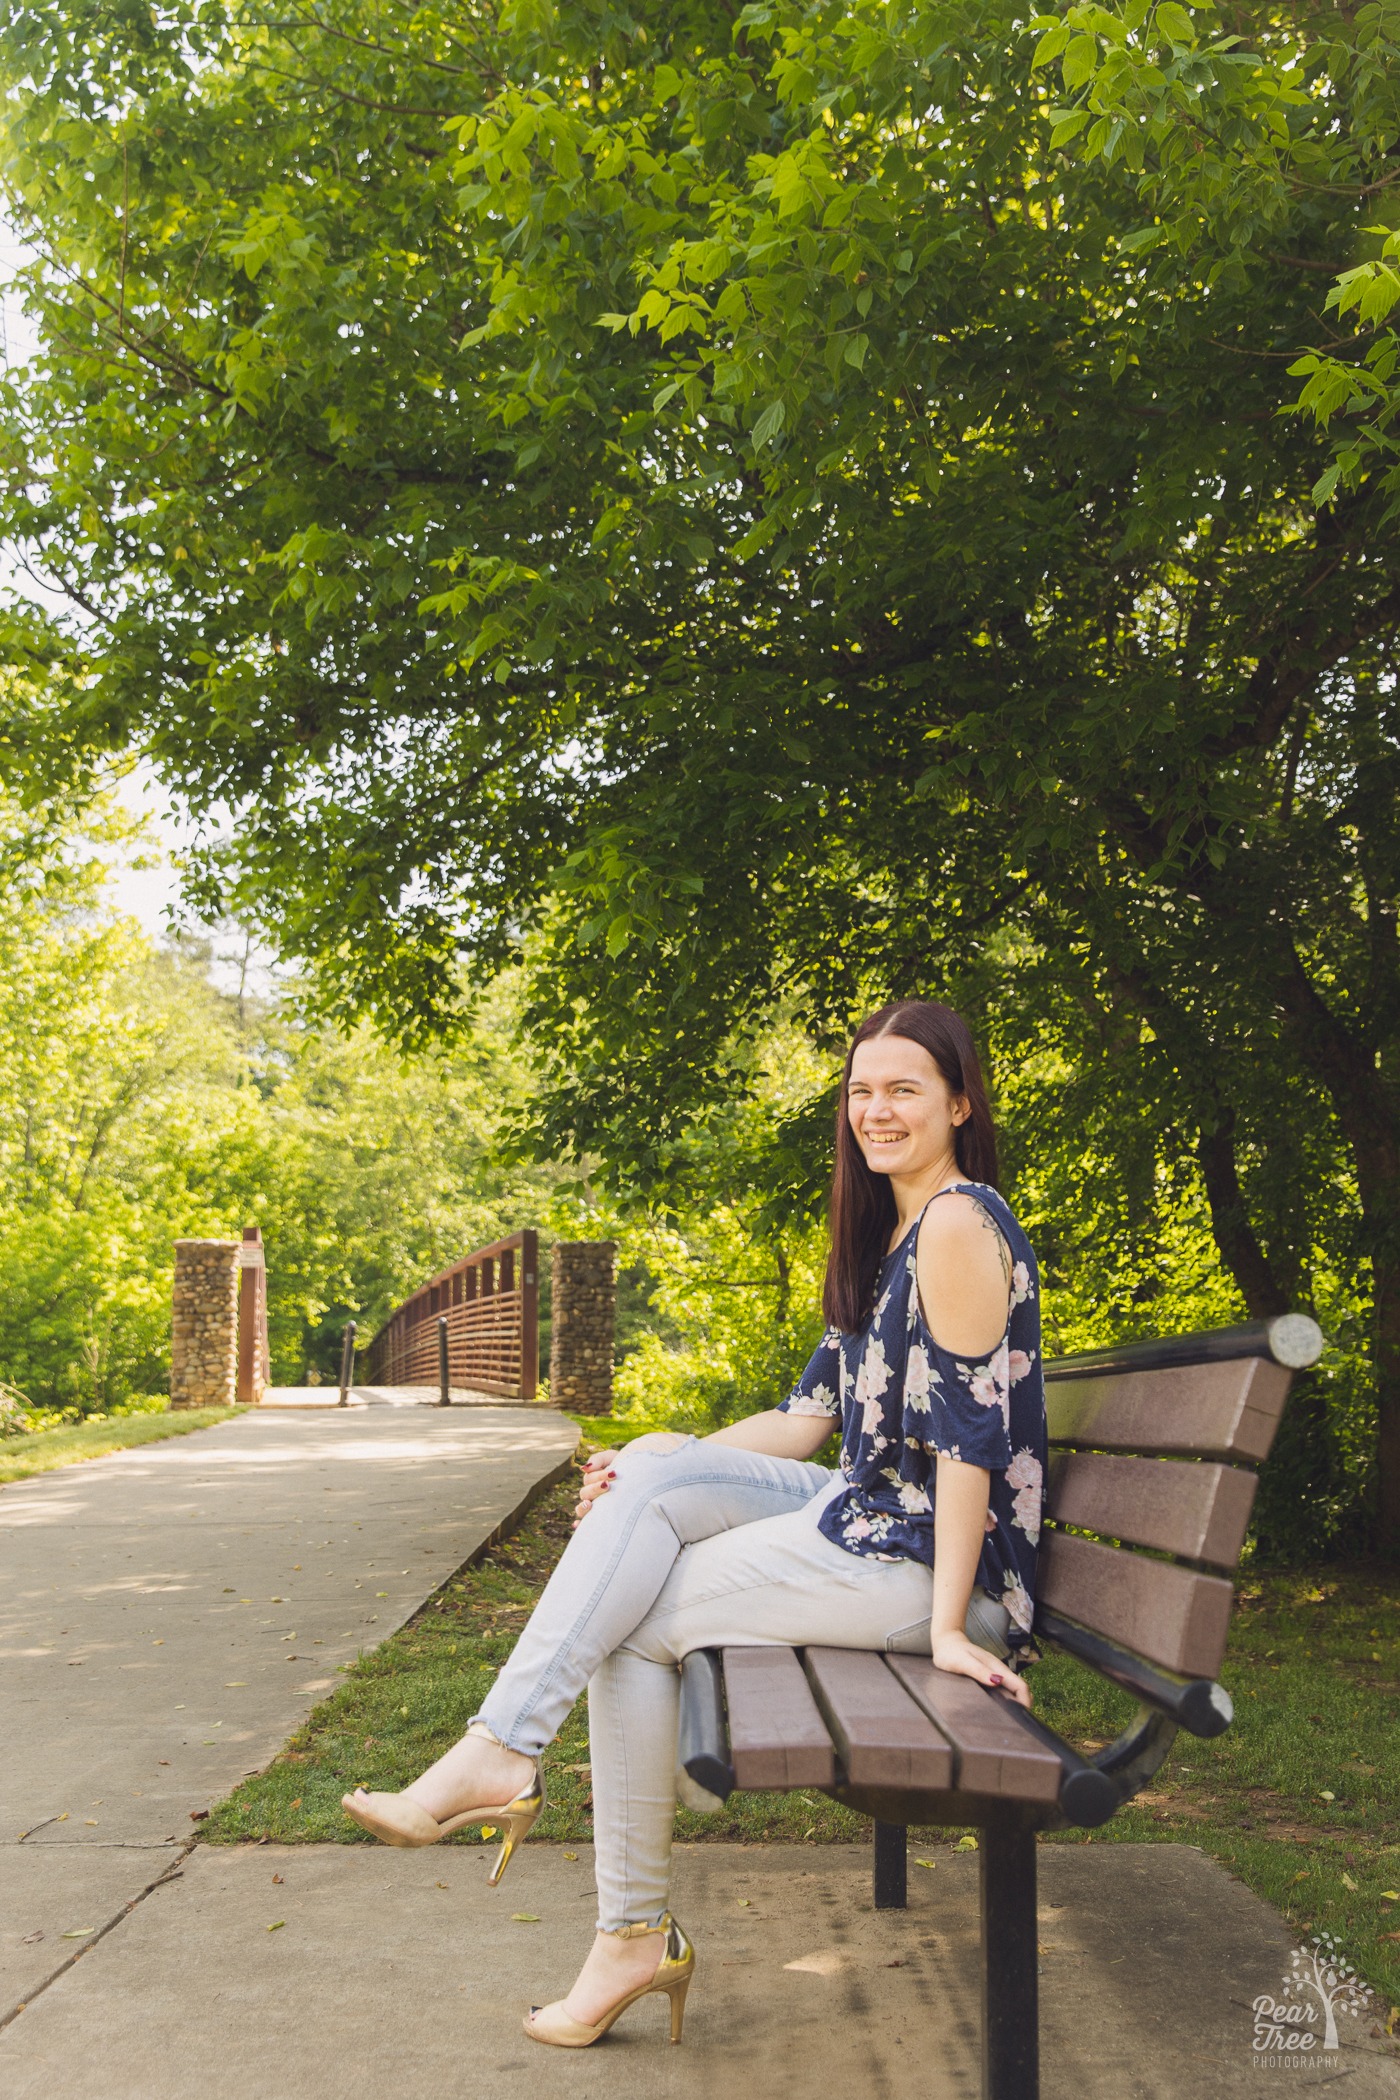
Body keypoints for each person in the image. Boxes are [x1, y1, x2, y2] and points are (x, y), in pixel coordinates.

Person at [343, 999, 1047, 2049]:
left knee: (628, 1620)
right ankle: (530, 1793)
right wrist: (643, 1465)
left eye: (902, 1088)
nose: (875, 1110)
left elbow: (968, 1449)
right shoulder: (890, 1228)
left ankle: (566, 1847)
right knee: (658, 1473)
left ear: (959, 1101)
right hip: (864, 1519)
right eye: (859, 1090)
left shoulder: (955, 1222)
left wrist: (949, 1627)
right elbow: (808, 1420)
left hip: (929, 1565)